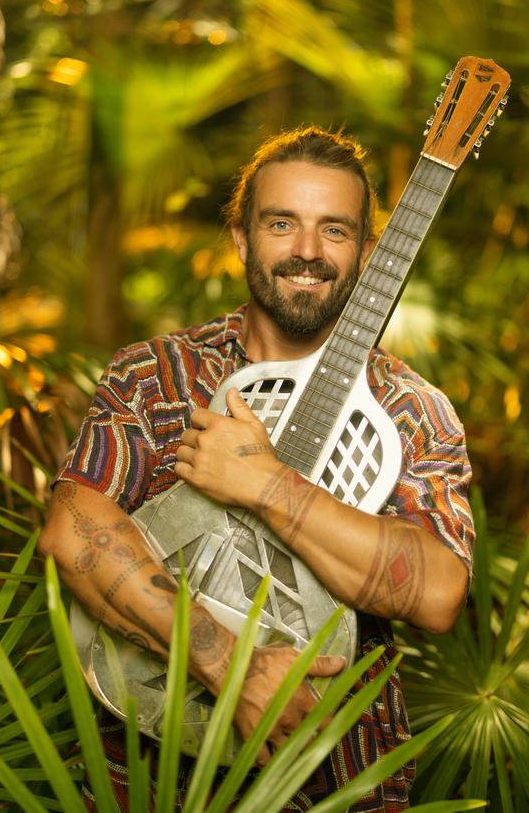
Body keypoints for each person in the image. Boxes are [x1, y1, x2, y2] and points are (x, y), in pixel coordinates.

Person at [39, 126, 474, 812]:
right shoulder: (157, 374)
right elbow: (72, 531)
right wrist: (227, 662)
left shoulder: (414, 411)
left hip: (337, 779)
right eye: (282, 224)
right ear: (242, 238)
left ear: (367, 251)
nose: (307, 251)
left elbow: (438, 593)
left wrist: (267, 485)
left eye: (335, 230)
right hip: (140, 776)